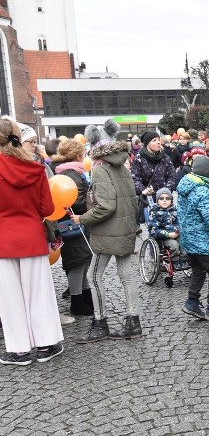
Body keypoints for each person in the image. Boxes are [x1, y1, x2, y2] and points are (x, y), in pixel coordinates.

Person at [0, 116, 64, 365]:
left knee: (9, 297)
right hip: (30, 236)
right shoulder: (36, 168)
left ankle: (19, 350)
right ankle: (45, 344)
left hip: (3, 239)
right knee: (38, 293)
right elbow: (47, 208)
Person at [73, 118, 143, 341]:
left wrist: (83, 218)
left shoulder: (101, 170)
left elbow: (106, 206)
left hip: (107, 230)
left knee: (94, 276)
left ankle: (100, 322)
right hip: (124, 228)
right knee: (126, 276)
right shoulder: (122, 166)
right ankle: (133, 322)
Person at [177, 156, 209, 323]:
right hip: (202, 240)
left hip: (188, 238)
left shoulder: (185, 187)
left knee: (198, 270)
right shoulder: (202, 191)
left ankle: (192, 302)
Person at [53, 138, 95, 316]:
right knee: (77, 262)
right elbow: (76, 202)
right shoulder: (71, 174)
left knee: (83, 261)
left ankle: (85, 299)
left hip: (72, 224)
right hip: (71, 225)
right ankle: (77, 302)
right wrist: (91, 203)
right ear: (78, 155)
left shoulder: (69, 172)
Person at [130, 131, 179, 217]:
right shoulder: (139, 159)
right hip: (148, 201)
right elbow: (135, 178)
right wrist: (144, 190)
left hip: (165, 200)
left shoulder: (165, 158)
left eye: (158, 140)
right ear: (147, 144)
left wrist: (165, 191)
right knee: (153, 228)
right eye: (154, 140)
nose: (158, 142)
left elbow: (172, 176)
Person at [146, 188, 186, 268]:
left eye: (167, 198)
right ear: (157, 201)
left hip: (176, 234)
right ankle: (174, 261)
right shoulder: (154, 212)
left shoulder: (174, 211)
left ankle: (184, 259)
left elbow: (180, 223)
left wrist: (179, 230)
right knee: (174, 245)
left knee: (185, 243)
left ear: (171, 200)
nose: (165, 200)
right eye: (161, 198)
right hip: (163, 237)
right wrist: (167, 234)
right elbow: (153, 230)